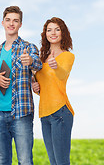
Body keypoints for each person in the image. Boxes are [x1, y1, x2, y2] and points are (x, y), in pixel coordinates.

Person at [0, 6, 42, 165]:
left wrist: (31, 61)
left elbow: (38, 65)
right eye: (8, 20)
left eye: (15, 20)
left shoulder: (28, 47)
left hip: (21, 112)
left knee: (25, 160)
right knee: (2, 160)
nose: (11, 23)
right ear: (3, 22)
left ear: (20, 24)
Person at [32, 17, 75, 165]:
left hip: (60, 113)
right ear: (45, 34)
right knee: (53, 162)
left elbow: (62, 75)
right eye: (49, 30)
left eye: (57, 29)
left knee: (62, 162)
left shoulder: (67, 56)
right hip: (44, 115)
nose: (53, 33)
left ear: (63, 33)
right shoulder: (41, 59)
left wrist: (55, 66)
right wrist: (35, 87)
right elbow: (45, 86)